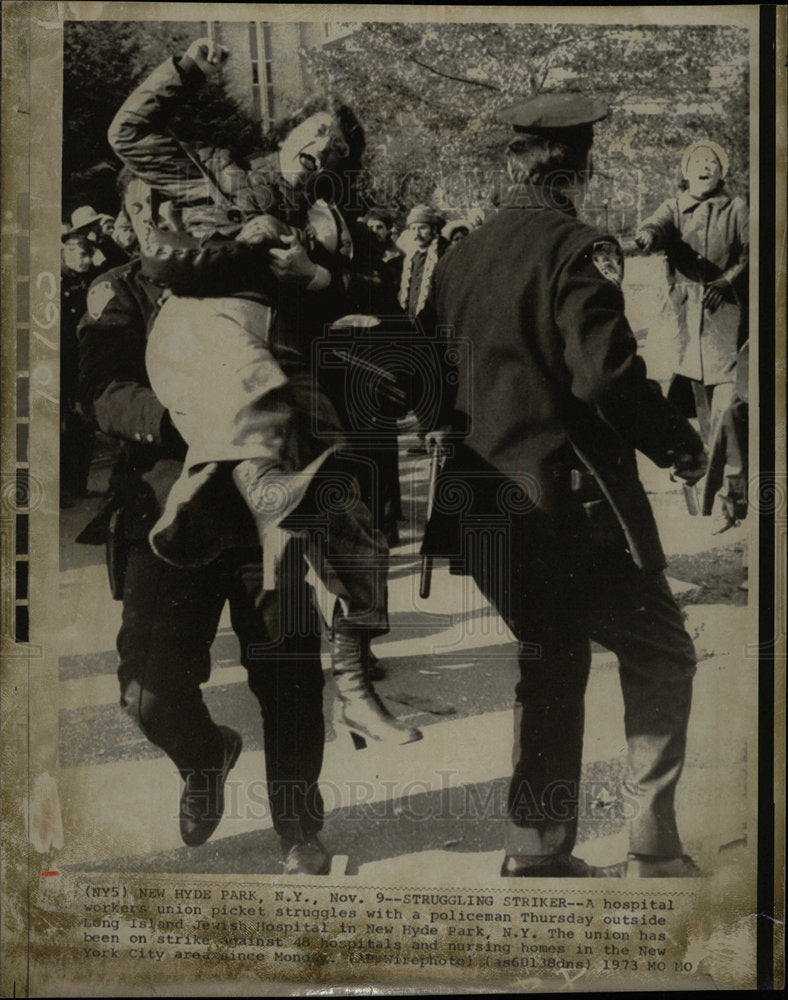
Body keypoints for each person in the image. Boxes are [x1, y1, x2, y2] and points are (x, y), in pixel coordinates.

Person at [421, 93, 709, 878]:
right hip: (569, 509)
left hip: (485, 509)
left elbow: (432, 386)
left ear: (514, 167)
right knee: (662, 653)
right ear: (579, 172)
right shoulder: (580, 248)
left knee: (551, 657)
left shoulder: (459, 257)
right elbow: (607, 378)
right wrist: (683, 447)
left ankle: (536, 847)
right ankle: (652, 843)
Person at [107, 37, 420, 747]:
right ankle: (210, 499)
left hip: (283, 359)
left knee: (351, 509)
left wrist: (315, 276)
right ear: (287, 132)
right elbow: (127, 132)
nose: (321, 152)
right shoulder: (213, 174)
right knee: (259, 397)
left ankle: (355, 685)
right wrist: (185, 70)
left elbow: (384, 301)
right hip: (208, 337)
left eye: (335, 149)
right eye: (314, 135)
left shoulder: (329, 224)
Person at [78, 171, 332, 875]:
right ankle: (205, 755)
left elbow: (335, 341)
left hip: (261, 514)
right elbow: (100, 392)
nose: (164, 212)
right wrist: (190, 422)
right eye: (147, 204)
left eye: (176, 200)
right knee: (151, 696)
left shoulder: (266, 274)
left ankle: (299, 827)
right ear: (131, 216)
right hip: (170, 513)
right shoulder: (120, 291)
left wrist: (317, 282)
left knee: (289, 676)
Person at [635, 141, 748, 524]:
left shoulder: (737, 208)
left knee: (727, 415)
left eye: (712, 163)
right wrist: (648, 236)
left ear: (721, 172)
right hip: (685, 331)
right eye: (697, 163)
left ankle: (732, 500)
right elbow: (657, 225)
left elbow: (757, 250)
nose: (704, 167)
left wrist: (728, 279)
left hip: (726, 328)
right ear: (685, 171)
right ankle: (702, 495)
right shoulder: (675, 207)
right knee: (691, 421)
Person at [398, 204, 447, 454]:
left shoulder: (445, 253)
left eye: (423, 227)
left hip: (437, 329)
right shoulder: (411, 257)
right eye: (413, 228)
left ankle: (435, 433)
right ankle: (425, 432)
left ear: (434, 229)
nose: (417, 233)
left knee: (437, 380)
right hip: (414, 328)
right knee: (417, 381)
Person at [60, 232, 100, 507]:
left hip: (85, 362)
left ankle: (77, 485)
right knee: (60, 426)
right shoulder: (55, 282)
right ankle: (59, 488)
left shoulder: (91, 280)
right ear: (67, 253)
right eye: (81, 255)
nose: (86, 261)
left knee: (84, 424)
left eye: (89, 255)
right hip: (62, 363)